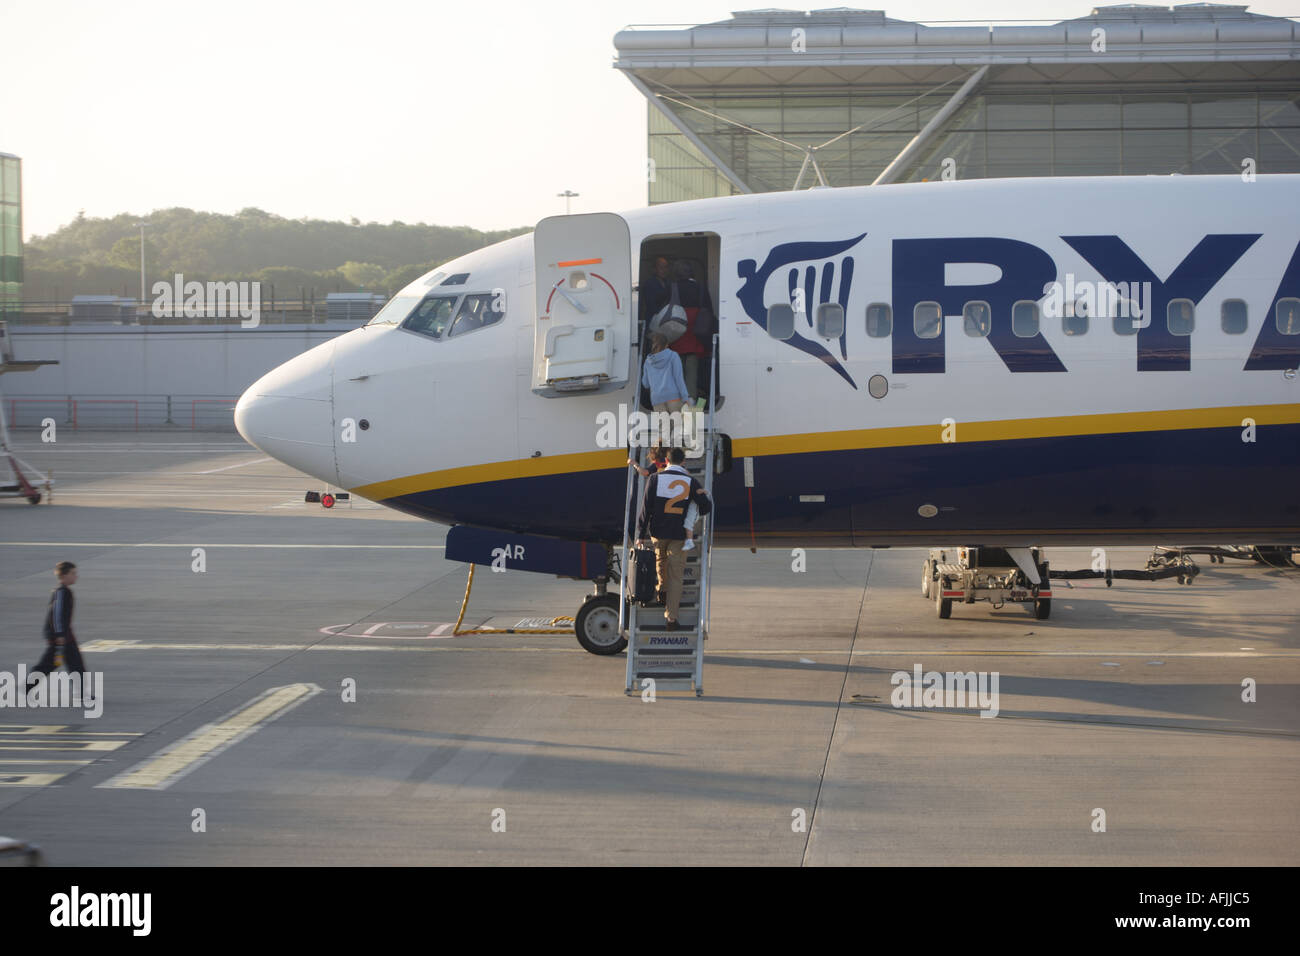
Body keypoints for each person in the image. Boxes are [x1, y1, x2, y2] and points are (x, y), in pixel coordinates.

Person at [636, 448, 708, 629]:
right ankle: (671, 618)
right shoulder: (691, 481)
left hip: (658, 532)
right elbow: (706, 508)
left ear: (666, 461)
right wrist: (702, 496)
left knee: (660, 561)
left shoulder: (655, 479)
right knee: (676, 576)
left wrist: (640, 535)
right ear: (683, 462)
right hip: (678, 535)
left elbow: (645, 509)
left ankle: (662, 589)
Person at [28, 561, 88, 698]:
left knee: (70, 664)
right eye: (73, 573)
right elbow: (57, 614)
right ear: (64, 576)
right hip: (60, 637)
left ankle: (82, 693)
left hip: (65, 636)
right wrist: (60, 634)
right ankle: (27, 687)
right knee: (54, 664)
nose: (76, 576)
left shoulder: (65, 591)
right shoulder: (61, 592)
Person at [667, 260, 716, 406]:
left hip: (678, 326)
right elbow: (709, 310)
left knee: (677, 367)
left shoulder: (672, 287)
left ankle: (679, 401)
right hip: (696, 327)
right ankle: (692, 401)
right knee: (693, 365)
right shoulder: (700, 287)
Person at [641, 332, 690, 414]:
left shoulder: (648, 361)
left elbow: (645, 384)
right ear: (666, 345)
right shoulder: (673, 356)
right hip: (674, 398)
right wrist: (685, 398)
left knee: (663, 423)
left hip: (657, 400)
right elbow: (679, 379)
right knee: (678, 422)